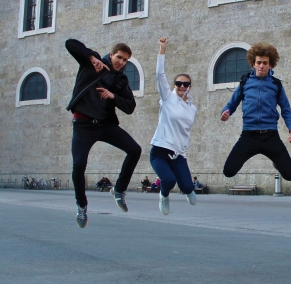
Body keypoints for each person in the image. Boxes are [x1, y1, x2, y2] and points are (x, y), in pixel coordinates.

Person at [65, 39, 142, 228]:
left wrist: (113, 96)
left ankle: (119, 190)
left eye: (125, 60)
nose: (121, 62)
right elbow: (70, 44)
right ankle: (81, 205)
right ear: (111, 54)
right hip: (83, 126)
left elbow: (130, 107)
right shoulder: (93, 63)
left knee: (135, 150)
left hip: (104, 125)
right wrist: (91, 56)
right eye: (119, 57)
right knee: (79, 165)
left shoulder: (121, 80)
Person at [221, 43, 291, 182]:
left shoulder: (276, 85)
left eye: (265, 63)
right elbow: (231, 104)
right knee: (228, 171)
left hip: (270, 136)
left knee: (289, 175)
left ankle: (276, 162)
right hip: (249, 135)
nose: (261, 66)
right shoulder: (245, 82)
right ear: (253, 63)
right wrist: (226, 112)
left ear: (270, 65)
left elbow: (286, 110)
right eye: (258, 62)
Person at [150, 37, 199, 215]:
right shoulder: (167, 98)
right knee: (169, 180)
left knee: (187, 186)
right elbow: (159, 75)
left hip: (179, 154)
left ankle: (187, 190)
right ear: (174, 86)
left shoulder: (192, 108)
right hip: (160, 151)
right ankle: (163, 196)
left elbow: (185, 132)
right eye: (178, 83)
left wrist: (184, 151)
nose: (181, 86)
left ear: (189, 87)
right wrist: (162, 50)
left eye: (185, 84)